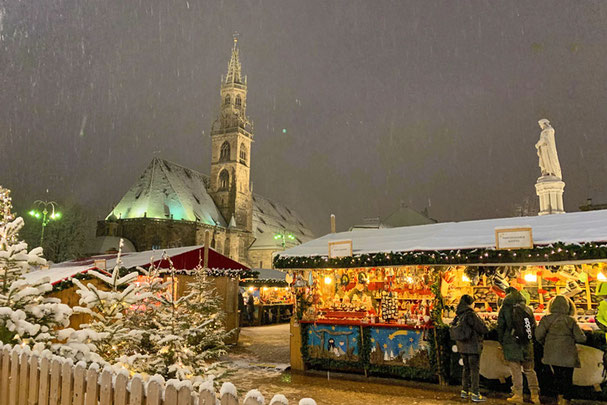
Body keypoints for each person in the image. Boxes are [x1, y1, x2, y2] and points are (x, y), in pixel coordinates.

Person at [536, 296, 586, 405]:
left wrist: (546, 343)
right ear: (568, 307)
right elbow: (581, 338)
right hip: (569, 354)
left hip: (552, 353)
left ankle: (559, 398)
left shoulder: (546, 319)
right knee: (568, 378)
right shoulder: (570, 320)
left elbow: (538, 335)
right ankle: (565, 400)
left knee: (557, 376)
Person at [497, 287, 540, 404]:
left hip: (511, 343)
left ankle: (518, 395)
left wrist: (502, 341)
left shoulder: (504, 309)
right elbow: (533, 327)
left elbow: (500, 327)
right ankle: (535, 395)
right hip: (526, 344)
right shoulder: (528, 309)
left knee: (515, 371)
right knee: (530, 370)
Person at [453, 294, 489, 402]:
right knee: (474, 370)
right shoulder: (470, 315)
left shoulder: (458, 315)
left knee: (466, 368)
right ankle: (475, 393)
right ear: (470, 303)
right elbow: (483, 328)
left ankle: (464, 391)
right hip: (473, 346)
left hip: (462, 345)